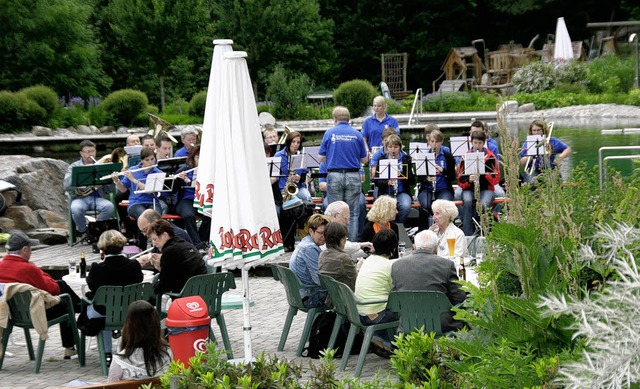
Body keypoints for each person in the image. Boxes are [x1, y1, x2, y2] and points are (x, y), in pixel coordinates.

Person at [0, 232, 80, 359]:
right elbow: (53, 289)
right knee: (65, 302)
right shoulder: (28, 269)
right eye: (30, 248)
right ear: (24, 250)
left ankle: (82, 309)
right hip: (36, 314)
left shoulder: (1, 266)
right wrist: (38, 270)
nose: (31, 251)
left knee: (62, 285)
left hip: (13, 315)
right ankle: (71, 343)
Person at [86, 230, 143, 366]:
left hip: (104, 313)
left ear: (102, 248)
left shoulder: (97, 268)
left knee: (98, 307)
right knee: (110, 308)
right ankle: (130, 348)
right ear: (122, 245)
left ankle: (107, 353)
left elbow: (91, 285)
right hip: (130, 311)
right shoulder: (134, 266)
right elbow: (139, 280)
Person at [391, 230, 466, 333]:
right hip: (441, 324)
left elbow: (396, 299)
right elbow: (459, 298)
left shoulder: (397, 266)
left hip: (409, 323)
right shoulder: (446, 265)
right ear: (436, 247)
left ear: (415, 246)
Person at [318, 106, 369, 242]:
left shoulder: (329, 133)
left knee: (334, 213)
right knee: (352, 213)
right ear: (349, 119)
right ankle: (350, 244)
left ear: (334, 119)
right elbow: (364, 159)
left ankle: (335, 244)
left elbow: (321, 158)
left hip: (334, 175)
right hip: (353, 175)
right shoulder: (357, 134)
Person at [354, 228, 399, 354]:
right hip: (376, 315)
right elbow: (396, 290)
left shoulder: (367, 261)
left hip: (360, 312)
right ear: (394, 247)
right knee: (407, 310)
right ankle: (392, 344)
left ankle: (381, 339)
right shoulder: (389, 266)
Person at [63, 140, 116, 241]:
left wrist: (111, 180)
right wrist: (79, 173)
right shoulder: (74, 167)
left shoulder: (101, 166)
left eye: (92, 151)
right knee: (76, 209)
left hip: (98, 197)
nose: (91, 154)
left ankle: (95, 229)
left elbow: (110, 189)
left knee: (109, 207)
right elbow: (66, 185)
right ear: (81, 153)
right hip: (80, 198)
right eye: (88, 152)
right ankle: (83, 231)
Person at [107, 300, 172, 382]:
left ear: (128, 326)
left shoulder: (120, 361)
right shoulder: (169, 354)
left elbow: (111, 385)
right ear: (155, 325)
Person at [147, 219, 207, 295]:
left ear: (165, 235)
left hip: (186, 293)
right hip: (202, 289)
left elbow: (164, 285)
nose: (154, 244)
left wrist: (150, 292)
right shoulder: (184, 244)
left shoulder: (170, 251)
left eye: (155, 239)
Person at [457, 130, 500, 236]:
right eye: (475, 143)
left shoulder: (490, 156)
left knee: (484, 204)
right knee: (467, 201)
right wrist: (469, 180)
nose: (477, 146)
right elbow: (460, 180)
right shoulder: (465, 157)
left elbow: (496, 179)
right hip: (469, 189)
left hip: (486, 189)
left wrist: (485, 174)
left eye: (480, 143)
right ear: (472, 143)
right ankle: (467, 234)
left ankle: (486, 234)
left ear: (484, 143)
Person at [369, 134, 415, 224]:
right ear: (386, 147)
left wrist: (401, 175)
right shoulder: (381, 159)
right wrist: (387, 182)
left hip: (402, 192)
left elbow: (412, 181)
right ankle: (388, 227)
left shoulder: (406, 159)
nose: (393, 150)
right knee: (384, 208)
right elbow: (377, 181)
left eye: (396, 147)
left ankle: (398, 225)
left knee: (405, 206)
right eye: (390, 147)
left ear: (400, 147)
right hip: (386, 191)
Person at [417, 128, 456, 231]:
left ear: (441, 142)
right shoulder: (423, 156)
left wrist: (442, 170)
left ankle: (446, 230)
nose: (434, 144)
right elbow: (419, 177)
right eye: (432, 141)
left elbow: (453, 177)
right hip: (427, 189)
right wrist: (426, 178)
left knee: (445, 205)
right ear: (429, 142)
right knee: (425, 204)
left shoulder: (447, 156)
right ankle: (424, 231)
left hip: (444, 188)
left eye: (437, 142)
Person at [113, 147, 167, 221]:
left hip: (152, 202)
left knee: (156, 219)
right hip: (136, 203)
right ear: (142, 160)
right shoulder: (133, 170)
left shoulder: (158, 173)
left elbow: (150, 190)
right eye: (147, 160)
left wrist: (133, 180)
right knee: (144, 218)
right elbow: (123, 189)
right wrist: (117, 181)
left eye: (152, 159)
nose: (150, 162)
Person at [288, 214, 330, 308]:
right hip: (309, 297)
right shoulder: (309, 248)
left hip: (301, 294)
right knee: (347, 296)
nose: (324, 237)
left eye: (326, 233)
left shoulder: (305, 242)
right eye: (321, 233)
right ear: (311, 231)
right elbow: (319, 279)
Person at [173, 145, 206, 247]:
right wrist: (179, 179)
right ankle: (197, 244)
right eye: (198, 157)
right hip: (186, 200)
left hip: (203, 199)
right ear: (192, 158)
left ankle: (203, 240)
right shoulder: (185, 169)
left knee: (210, 215)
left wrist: (190, 181)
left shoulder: (208, 171)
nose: (200, 160)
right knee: (188, 215)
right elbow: (172, 190)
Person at [318, 222, 362, 292]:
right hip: (346, 299)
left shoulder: (322, 254)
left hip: (332, 297)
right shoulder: (343, 258)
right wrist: (358, 268)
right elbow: (357, 282)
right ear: (341, 240)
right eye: (345, 238)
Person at [273, 131, 311, 203]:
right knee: (297, 201)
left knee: (308, 197)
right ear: (288, 142)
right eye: (293, 142)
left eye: (298, 142)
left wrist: (300, 178)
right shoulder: (278, 155)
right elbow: (274, 175)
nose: (296, 145)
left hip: (299, 187)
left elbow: (308, 176)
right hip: (283, 189)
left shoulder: (302, 156)